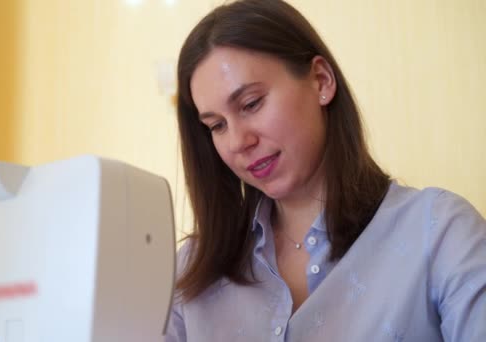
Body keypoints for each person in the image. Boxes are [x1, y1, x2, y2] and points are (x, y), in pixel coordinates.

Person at [165, 0, 486, 341]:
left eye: (251, 104)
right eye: (216, 126)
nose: (238, 142)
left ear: (321, 81)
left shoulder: (438, 233)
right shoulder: (189, 270)